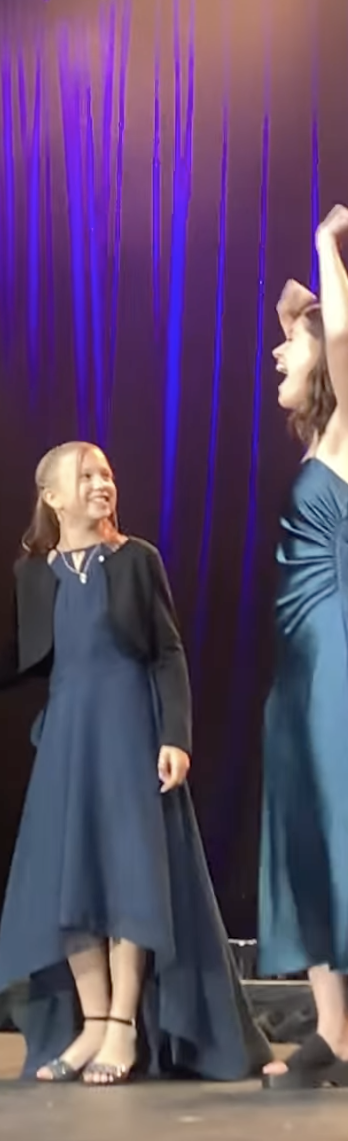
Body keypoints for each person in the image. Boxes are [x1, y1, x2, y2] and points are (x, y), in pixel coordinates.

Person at [0, 442, 268, 1085]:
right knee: (72, 882)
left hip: (128, 731)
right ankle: (91, 1022)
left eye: (106, 473)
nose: (101, 484)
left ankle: (122, 1028)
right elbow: (20, 659)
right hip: (67, 740)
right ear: (52, 496)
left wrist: (176, 735)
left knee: (129, 874)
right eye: (84, 476)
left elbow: (167, 652)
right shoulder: (35, 573)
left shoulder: (137, 561)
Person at [259, 204, 348, 1091]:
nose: (277, 355)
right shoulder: (318, 443)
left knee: (341, 823)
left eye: (289, 345)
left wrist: (324, 247)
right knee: (303, 830)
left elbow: (341, 326)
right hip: (301, 665)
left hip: (341, 663)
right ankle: (335, 1032)